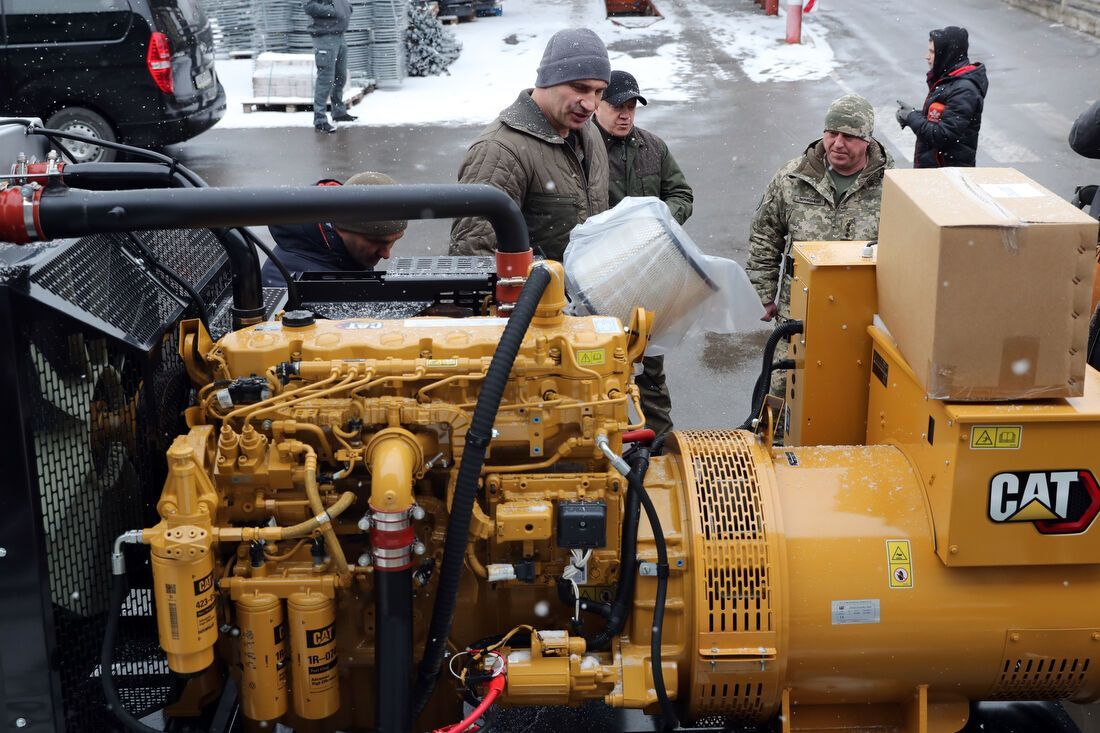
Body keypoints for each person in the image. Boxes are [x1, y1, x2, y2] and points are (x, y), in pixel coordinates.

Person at [746, 94, 893, 395]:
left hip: (860, 318)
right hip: (798, 316)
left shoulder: (892, 185)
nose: (838, 143)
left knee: (853, 396)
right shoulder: (792, 177)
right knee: (781, 392)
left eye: (849, 136)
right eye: (832, 133)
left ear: (867, 140)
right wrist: (762, 292)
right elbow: (765, 235)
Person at [449, 28, 610, 261]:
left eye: (599, 91)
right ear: (548, 80)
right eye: (580, 88)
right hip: (533, 297)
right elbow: (473, 258)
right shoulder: (498, 151)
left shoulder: (590, 133)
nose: (591, 104)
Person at [593, 69, 693, 436]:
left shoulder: (653, 147)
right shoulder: (580, 148)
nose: (625, 114)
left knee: (650, 366)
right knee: (599, 364)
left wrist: (659, 222)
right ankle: (605, 441)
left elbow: (681, 194)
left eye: (631, 106)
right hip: (598, 277)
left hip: (647, 276)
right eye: (618, 105)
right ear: (598, 105)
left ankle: (659, 443)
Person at [260, 172, 406, 286]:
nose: (386, 254)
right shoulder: (287, 282)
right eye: (376, 241)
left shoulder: (340, 249)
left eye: (394, 241)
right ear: (341, 228)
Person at [896, 26, 988, 168]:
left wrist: (912, 117)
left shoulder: (963, 89)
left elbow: (942, 135)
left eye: (932, 51)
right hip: (939, 171)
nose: (926, 56)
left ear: (947, 54)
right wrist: (913, 114)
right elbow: (941, 119)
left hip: (948, 175)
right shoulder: (951, 81)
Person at [305, 0, 358, 134]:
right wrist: (333, 11)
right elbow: (309, 6)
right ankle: (320, 120)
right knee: (325, 80)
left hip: (339, 36)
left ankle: (338, 112)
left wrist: (346, 8)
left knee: (341, 77)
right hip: (325, 37)